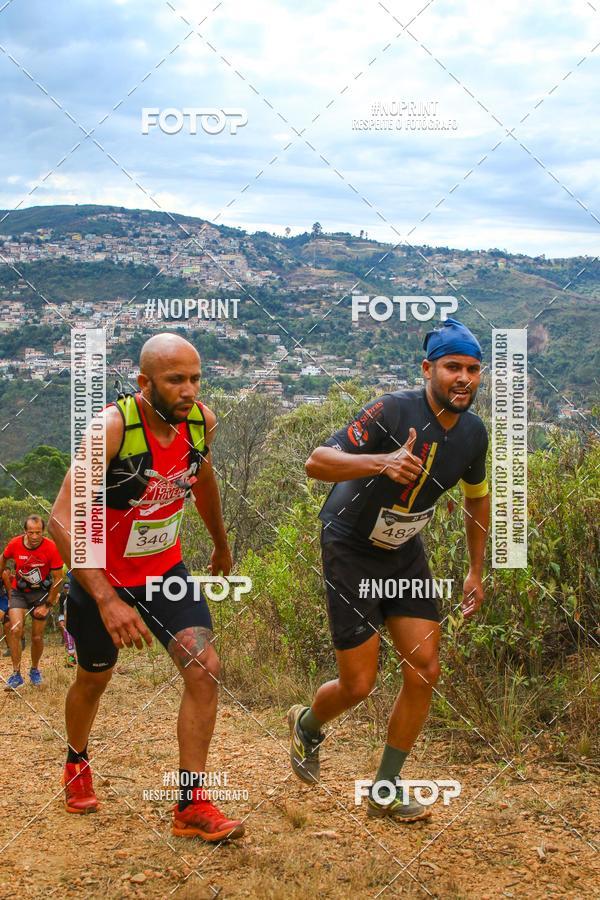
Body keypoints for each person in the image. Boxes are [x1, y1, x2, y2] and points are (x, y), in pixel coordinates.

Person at [288, 318, 490, 822]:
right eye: (452, 367)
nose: (463, 378)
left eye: (472, 368)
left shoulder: (472, 434)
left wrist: (475, 570)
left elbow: (477, 502)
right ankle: (308, 725)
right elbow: (316, 462)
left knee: (424, 670)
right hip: (351, 545)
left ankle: (386, 788)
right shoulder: (392, 410)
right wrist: (380, 462)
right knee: (358, 685)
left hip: (403, 551)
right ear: (428, 369)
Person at [49, 333, 244, 842]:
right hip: (102, 581)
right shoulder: (111, 429)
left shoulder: (201, 421)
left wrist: (220, 543)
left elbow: (200, 478)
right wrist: (106, 598)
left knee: (205, 669)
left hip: (166, 575)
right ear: (144, 382)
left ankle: (191, 804)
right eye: (175, 380)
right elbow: (60, 521)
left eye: (195, 378)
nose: (189, 390)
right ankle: (76, 761)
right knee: (94, 680)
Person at [0, 516, 64, 688]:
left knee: (37, 636)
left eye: (38, 532)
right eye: (31, 532)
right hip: (19, 592)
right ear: (25, 532)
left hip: (41, 593)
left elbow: (58, 578)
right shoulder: (15, 543)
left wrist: (47, 605)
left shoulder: (51, 547)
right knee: (15, 629)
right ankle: (16, 674)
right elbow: (4, 558)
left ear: (42, 531)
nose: (35, 536)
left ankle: (34, 670)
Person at [57, 569, 76, 667]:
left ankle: (74, 661)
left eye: (68, 587)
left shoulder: (75, 596)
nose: (67, 589)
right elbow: (62, 609)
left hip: (75, 621)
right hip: (67, 621)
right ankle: (71, 661)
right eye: (65, 587)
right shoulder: (62, 597)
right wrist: (61, 620)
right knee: (69, 641)